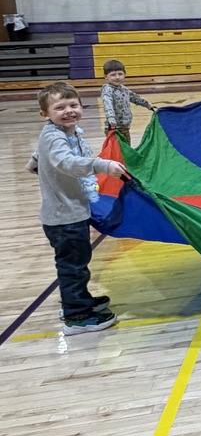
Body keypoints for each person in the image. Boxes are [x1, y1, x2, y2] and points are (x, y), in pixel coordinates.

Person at [27, 82, 127, 335]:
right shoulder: (54, 135)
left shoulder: (65, 133)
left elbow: (39, 158)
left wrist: (35, 166)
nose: (69, 111)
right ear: (45, 114)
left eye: (73, 105)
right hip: (64, 217)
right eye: (60, 107)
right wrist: (102, 166)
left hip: (69, 212)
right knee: (73, 265)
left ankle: (76, 300)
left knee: (77, 262)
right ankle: (77, 315)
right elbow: (66, 162)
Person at [100, 59, 156, 145]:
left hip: (125, 127)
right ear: (105, 76)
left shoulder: (124, 89)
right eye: (113, 75)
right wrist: (111, 118)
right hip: (114, 127)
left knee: (126, 149)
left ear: (124, 74)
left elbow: (135, 98)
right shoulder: (107, 90)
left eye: (120, 74)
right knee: (118, 151)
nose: (117, 77)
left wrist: (148, 105)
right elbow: (108, 104)